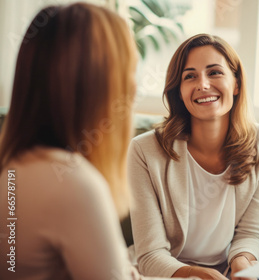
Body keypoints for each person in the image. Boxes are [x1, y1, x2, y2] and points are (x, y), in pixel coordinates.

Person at [0, 3, 190, 280]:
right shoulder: (73, 185)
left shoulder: (17, 165)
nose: (134, 86)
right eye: (129, 70)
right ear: (100, 84)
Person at [128, 33, 259, 280]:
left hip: (229, 267)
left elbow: (250, 233)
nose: (203, 85)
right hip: (165, 272)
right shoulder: (144, 151)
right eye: (190, 76)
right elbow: (151, 254)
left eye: (215, 72)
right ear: (179, 91)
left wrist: (242, 263)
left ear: (236, 83)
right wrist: (197, 274)